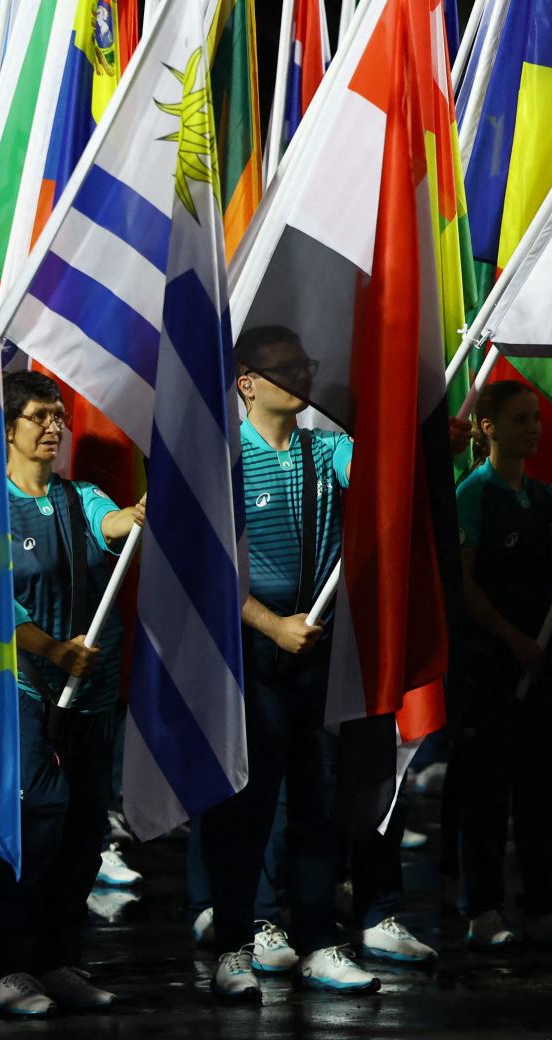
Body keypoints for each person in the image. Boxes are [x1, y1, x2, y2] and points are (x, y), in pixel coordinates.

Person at [203, 326, 380, 1001]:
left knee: (317, 801)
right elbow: (209, 569)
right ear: (246, 381)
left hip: (317, 646)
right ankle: (233, 946)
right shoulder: (225, 462)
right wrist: (270, 625)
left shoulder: (325, 450)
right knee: (246, 805)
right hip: (253, 647)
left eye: (305, 365)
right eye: (284, 368)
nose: (301, 378)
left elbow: (379, 474)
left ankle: (318, 941)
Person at [0, 370, 143, 1017]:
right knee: (35, 826)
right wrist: (51, 650)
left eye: (59, 417)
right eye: (39, 417)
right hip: (26, 689)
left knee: (82, 834)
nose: (53, 428)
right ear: (10, 428)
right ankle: (7, 967)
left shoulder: (82, 498)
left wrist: (137, 515)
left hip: (93, 694)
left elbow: (114, 526)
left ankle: (59, 959)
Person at [444, 381, 552, 952]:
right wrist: (510, 637)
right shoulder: (472, 496)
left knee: (541, 788)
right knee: (486, 791)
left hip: (540, 662)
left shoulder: (550, 497)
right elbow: (463, 581)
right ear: (487, 428)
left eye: (537, 419)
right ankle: (482, 908)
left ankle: (543, 903)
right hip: (488, 664)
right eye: (521, 419)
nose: (533, 428)